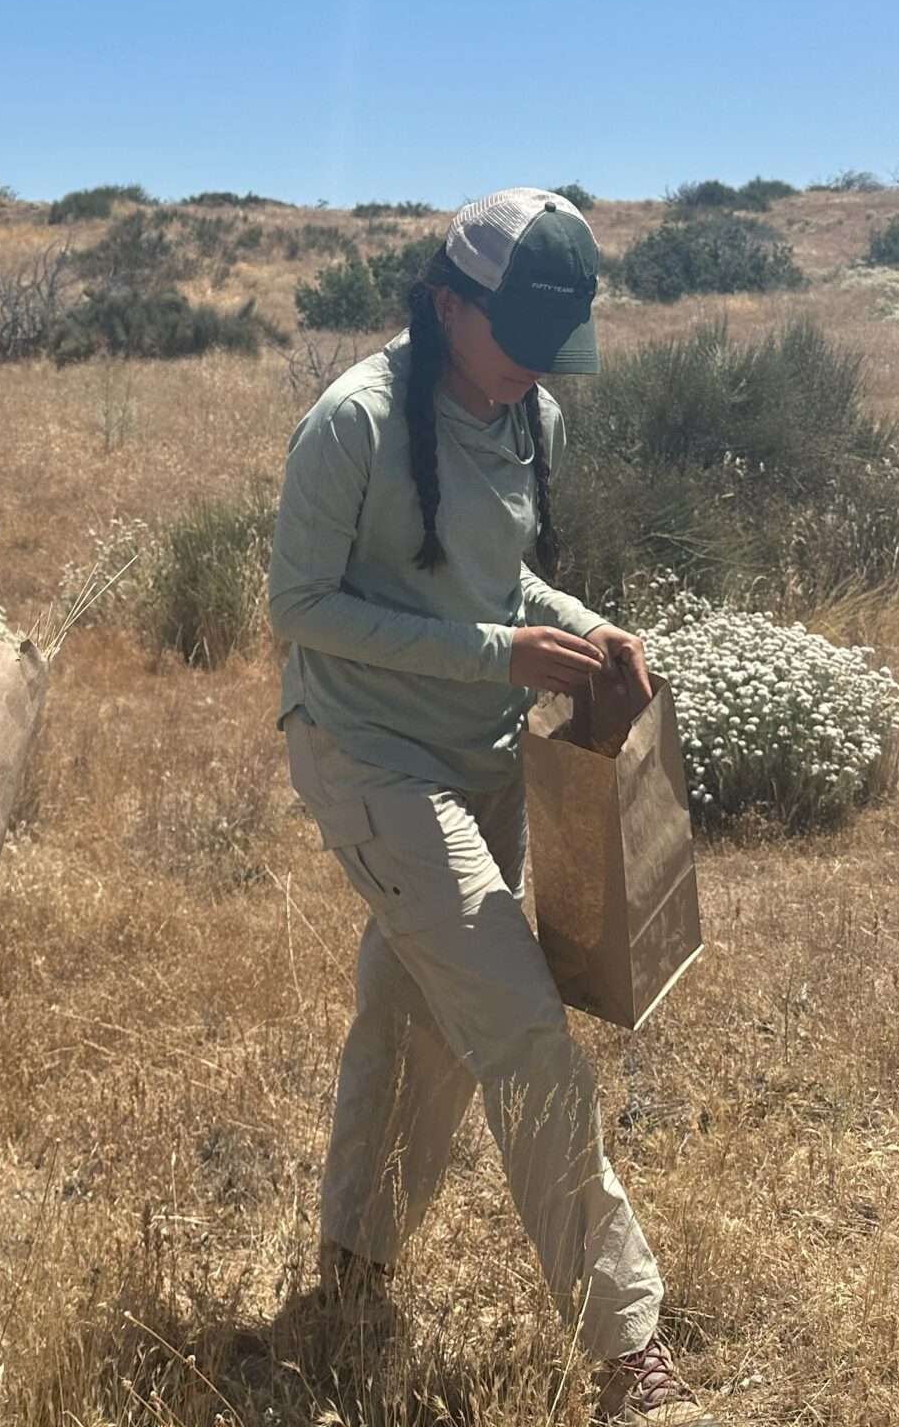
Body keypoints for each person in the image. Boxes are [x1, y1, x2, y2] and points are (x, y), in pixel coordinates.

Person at [267, 189, 718, 1426]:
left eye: (548, 346)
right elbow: (298, 608)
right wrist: (496, 656)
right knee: (520, 1029)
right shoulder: (352, 422)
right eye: (512, 336)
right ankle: (629, 1350)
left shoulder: (531, 417)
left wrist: (576, 626)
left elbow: (495, 572)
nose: (530, 368)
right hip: (366, 758)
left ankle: (350, 1277)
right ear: (447, 304)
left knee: (414, 1019)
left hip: (476, 762)